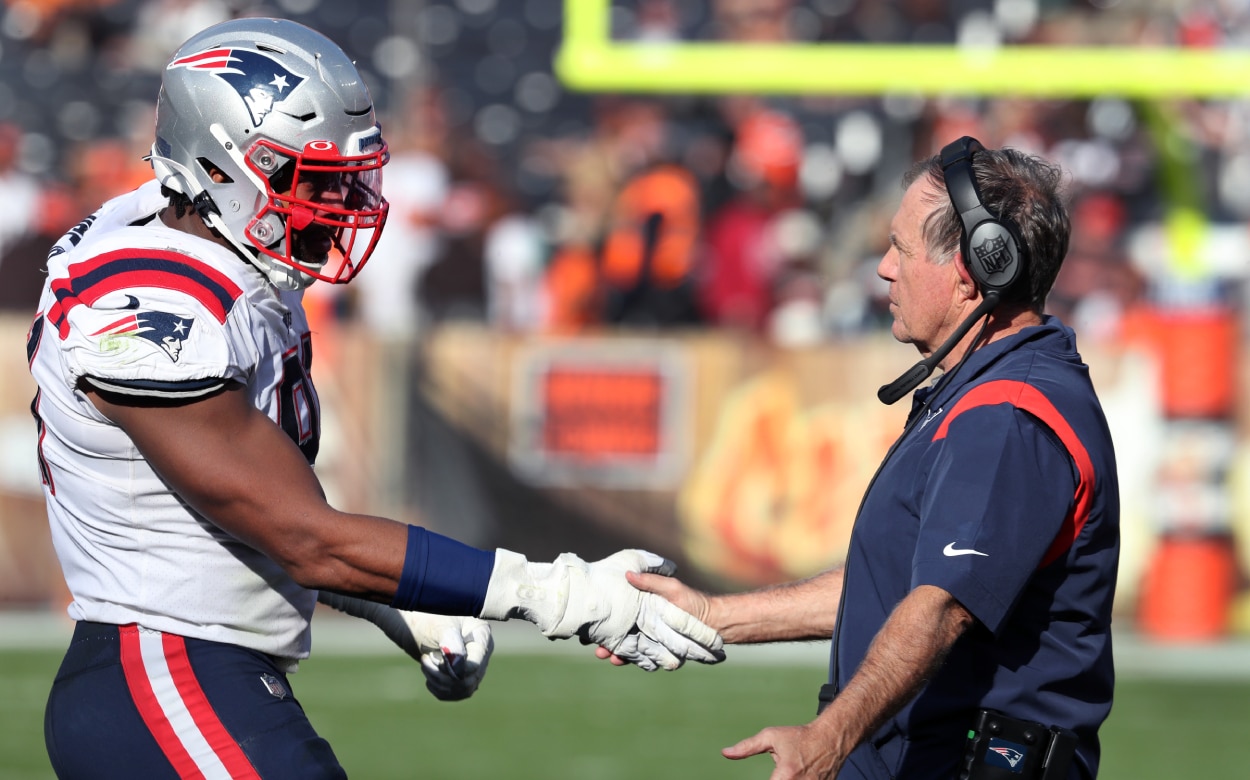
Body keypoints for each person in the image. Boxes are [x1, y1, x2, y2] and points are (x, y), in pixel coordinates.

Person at [28, 18, 723, 780]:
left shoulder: (225, 249)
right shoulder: (147, 303)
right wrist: (561, 593)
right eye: (308, 176)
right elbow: (302, 534)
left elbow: (269, 509)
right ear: (220, 167)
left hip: (204, 675)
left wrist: (394, 601)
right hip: (161, 675)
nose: (338, 198)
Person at [604, 137, 1119, 780]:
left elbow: (939, 607)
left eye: (900, 248)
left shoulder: (1007, 416)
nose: (883, 267)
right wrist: (715, 617)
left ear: (976, 268)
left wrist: (829, 737)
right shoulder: (982, 392)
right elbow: (893, 585)